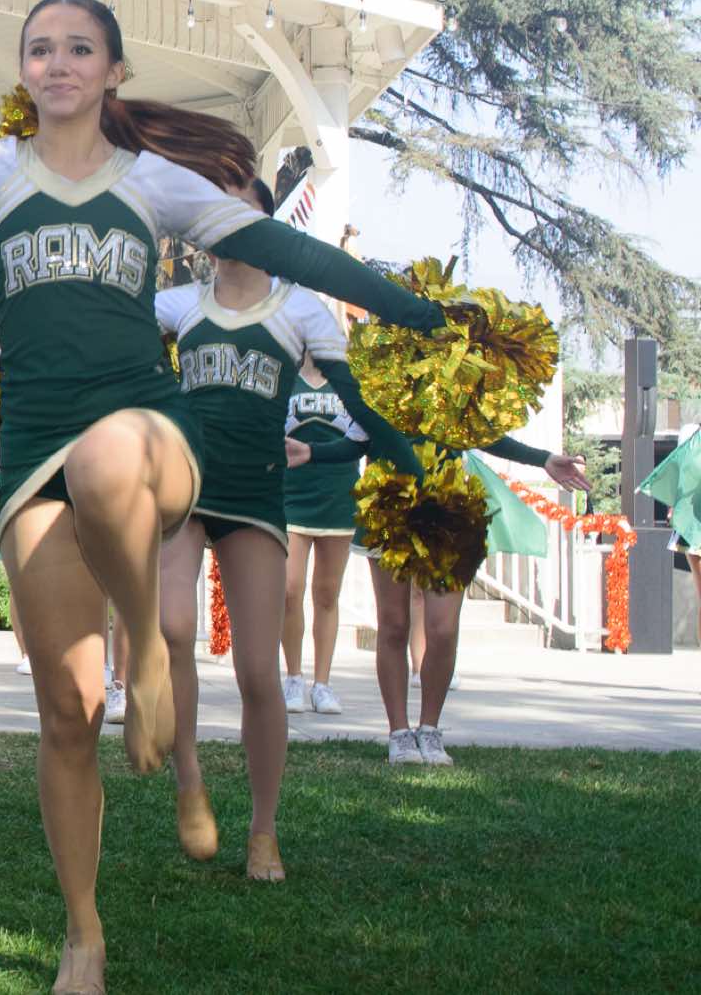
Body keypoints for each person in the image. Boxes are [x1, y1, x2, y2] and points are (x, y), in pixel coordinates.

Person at [0, 0, 448, 995]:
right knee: (66, 708)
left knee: (106, 458)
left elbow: (288, 252)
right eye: (40, 48)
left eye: (80, 48)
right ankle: (83, 934)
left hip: (150, 435)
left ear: (112, 71)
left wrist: (408, 308)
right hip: (34, 460)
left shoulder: (152, 181)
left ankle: (147, 647)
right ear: (24, 69)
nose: (58, 62)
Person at [150, 180, 418, 881]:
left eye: (239, 209)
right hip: (188, 490)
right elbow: (114, 335)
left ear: (268, 223)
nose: (222, 224)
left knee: (257, 672)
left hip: (257, 498)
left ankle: (262, 831)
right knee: (172, 626)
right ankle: (189, 779)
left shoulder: (300, 310)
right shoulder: (178, 305)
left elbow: (357, 402)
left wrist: (403, 452)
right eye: (209, 210)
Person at [368, 437, 587, 766]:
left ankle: (429, 729)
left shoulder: (452, 401)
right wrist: (313, 452)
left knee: (443, 629)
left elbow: (481, 431)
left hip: (449, 506)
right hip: (389, 501)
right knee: (394, 624)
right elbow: (358, 432)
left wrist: (542, 458)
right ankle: (399, 733)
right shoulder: (374, 399)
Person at [280, 354, 370, 714]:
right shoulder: (286, 378)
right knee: (290, 590)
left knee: (328, 594)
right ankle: (293, 678)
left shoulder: (351, 383)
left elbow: (364, 436)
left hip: (338, 496)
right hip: (291, 495)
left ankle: (322, 684)